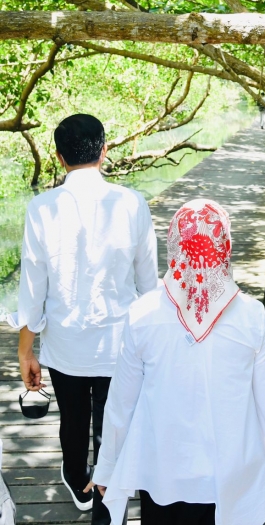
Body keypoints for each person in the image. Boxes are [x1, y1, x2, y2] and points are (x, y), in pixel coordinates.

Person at [88, 198, 265, 525]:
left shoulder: (142, 314)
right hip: (231, 475)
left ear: (173, 247)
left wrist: (107, 466)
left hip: (162, 471)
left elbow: (121, 402)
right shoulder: (249, 315)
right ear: (225, 246)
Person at [9, 114, 158, 525]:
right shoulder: (132, 204)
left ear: (58, 158)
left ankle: (77, 481)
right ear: (105, 150)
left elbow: (32, 289)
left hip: (65, 346)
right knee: (111, 422)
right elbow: (149, 288)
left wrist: (26, 352)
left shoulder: (41, 208)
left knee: (73, 419)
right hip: (120, 345)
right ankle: (108, 493)